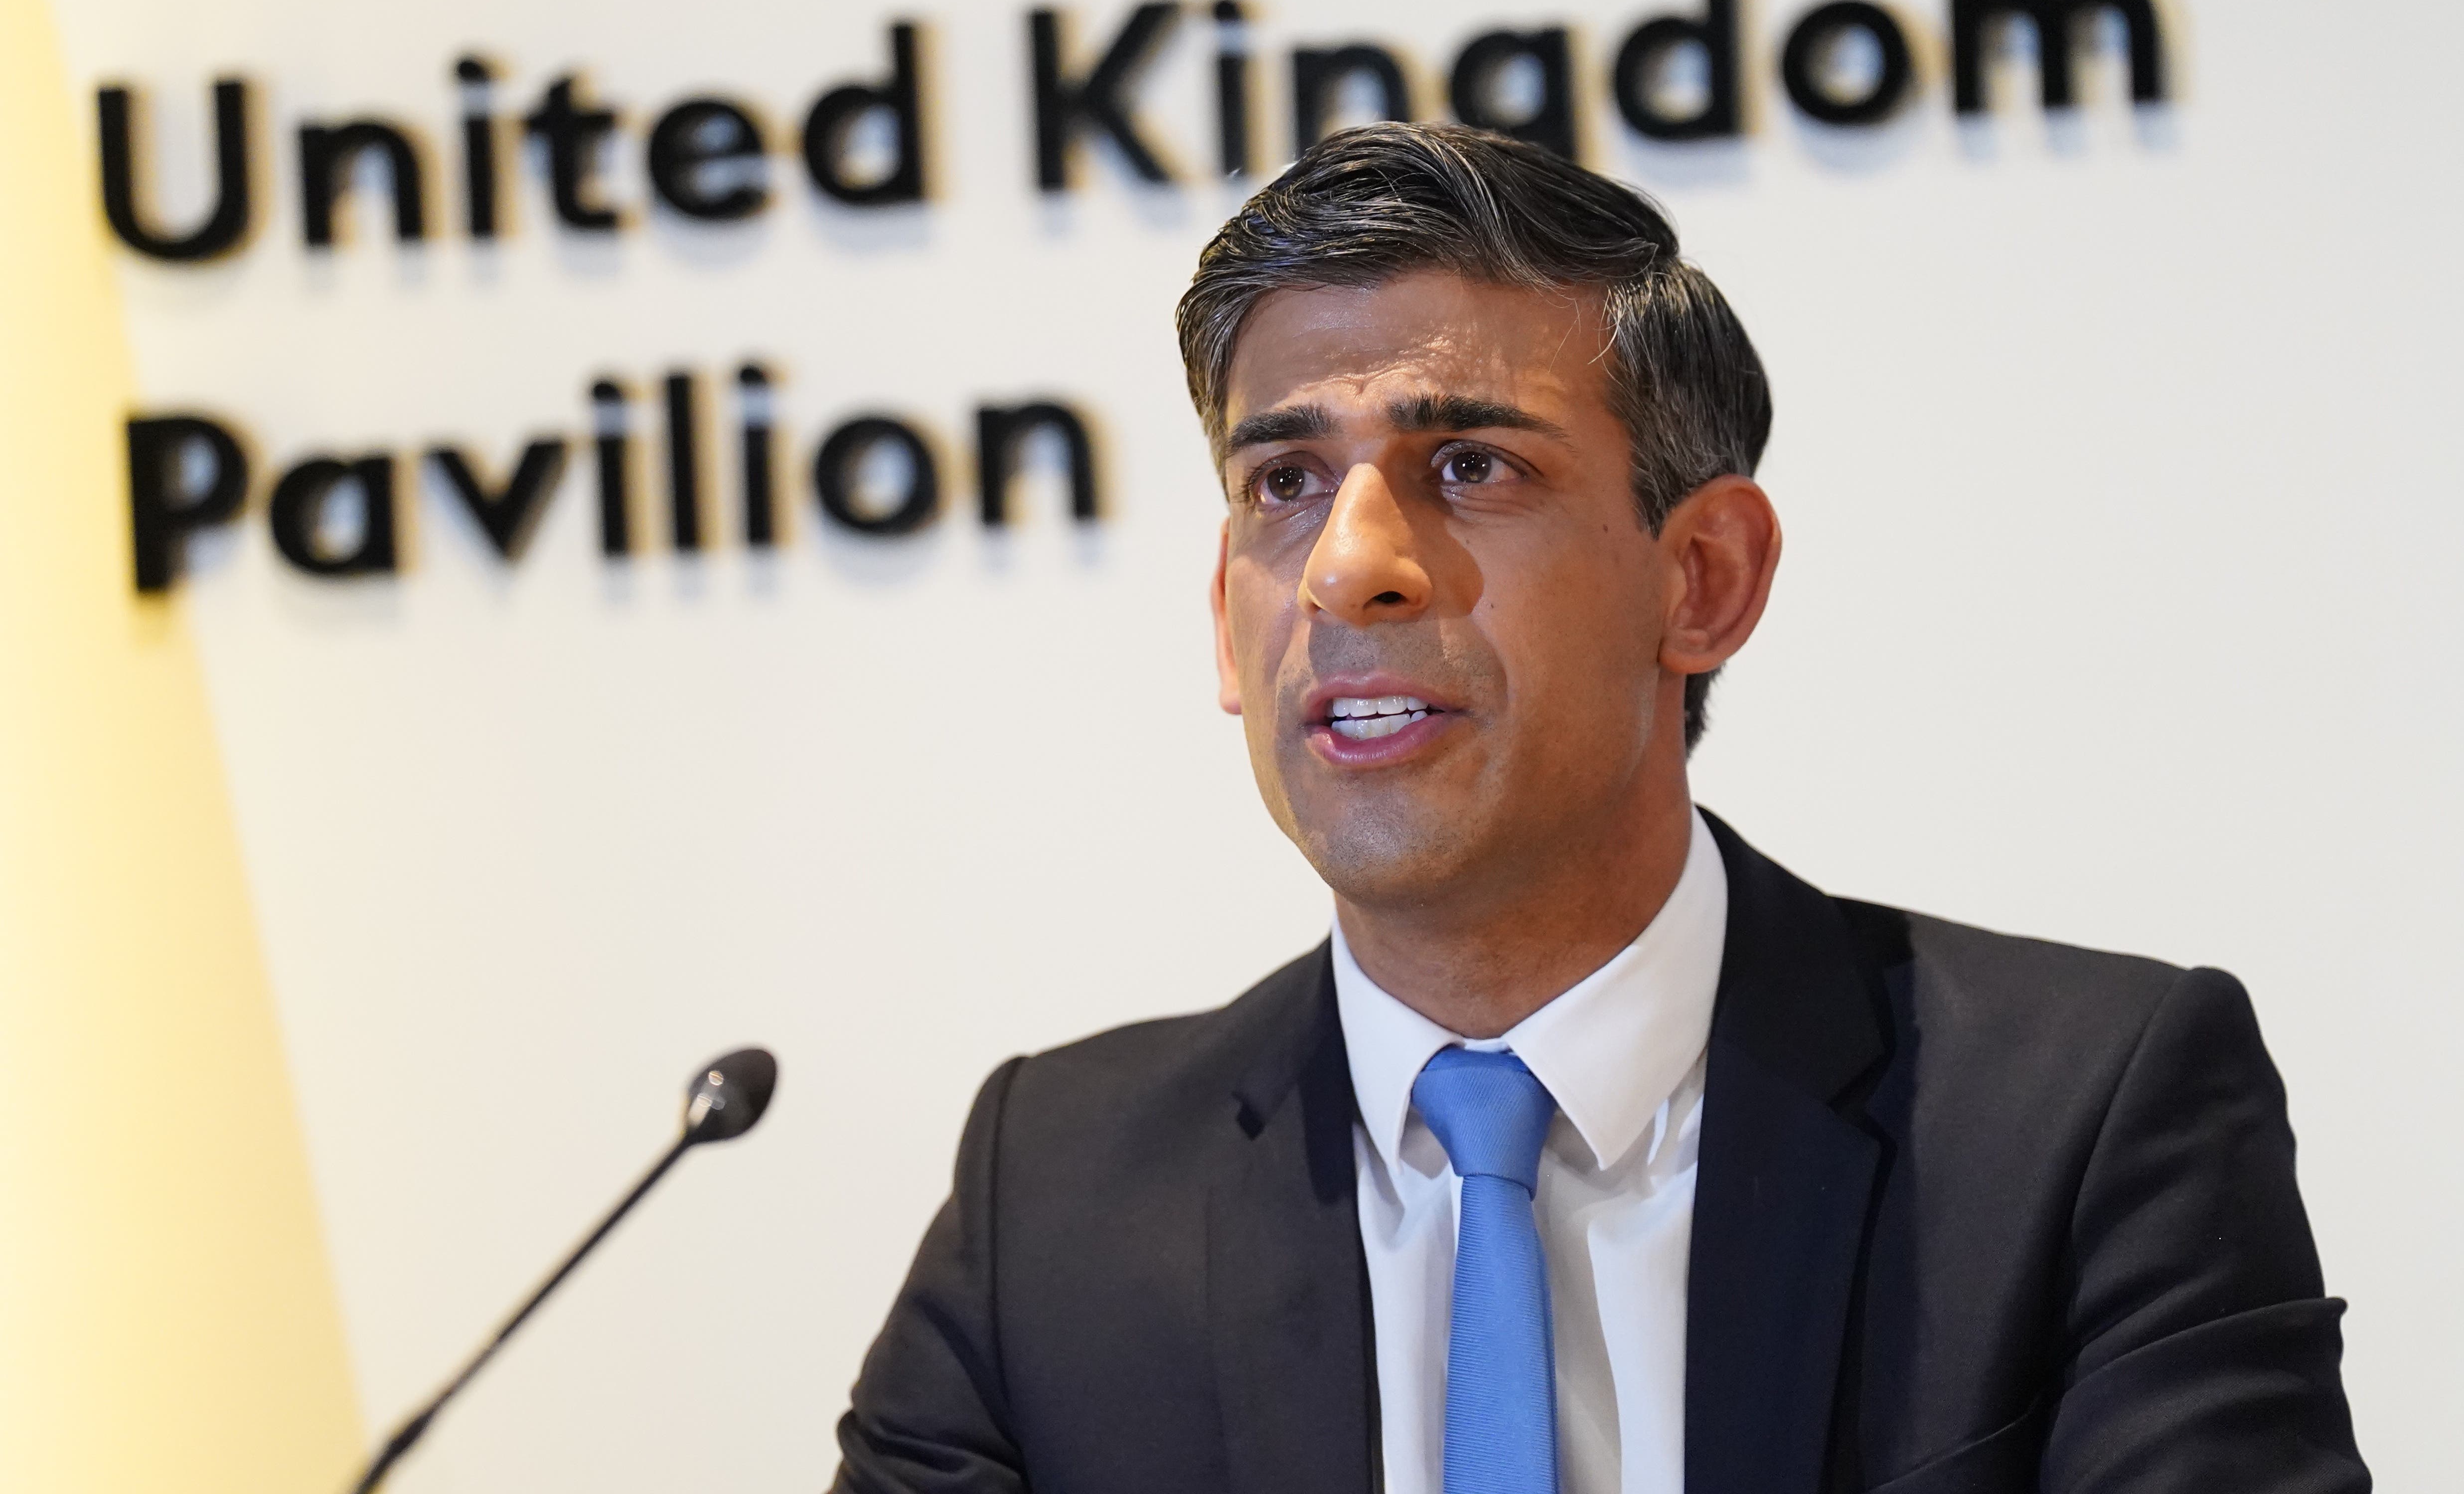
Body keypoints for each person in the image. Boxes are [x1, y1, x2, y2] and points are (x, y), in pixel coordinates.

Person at [830, 123, 2366, 1494]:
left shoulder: (2079, 1123)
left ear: (1702, 580)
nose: (1351, 564)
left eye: (1471, 464)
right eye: (1284, 482)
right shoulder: (1055, 1199)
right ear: (1223, 620)